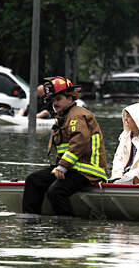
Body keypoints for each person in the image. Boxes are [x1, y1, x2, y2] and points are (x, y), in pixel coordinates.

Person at [22, 77, 108, 215]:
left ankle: (67, 230)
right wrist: (61, 167)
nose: (55, 103)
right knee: (33, 180)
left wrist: (62, 166)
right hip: (71, 169)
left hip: (87, 171)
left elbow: (79, 141)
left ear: (70, 99)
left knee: (56, 192)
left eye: (58, 99)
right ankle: (31, 224)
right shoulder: (64, 116)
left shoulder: (77, 116)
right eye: (53, 100)